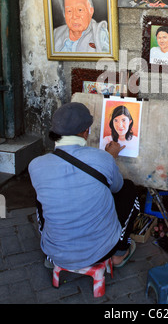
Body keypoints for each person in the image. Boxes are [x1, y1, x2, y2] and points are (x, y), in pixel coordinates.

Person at [29, 102, 140, 270]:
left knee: (43, 196)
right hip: (100, 251)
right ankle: (119, 252)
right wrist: (110, 158)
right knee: (129, 189)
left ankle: (53, 256)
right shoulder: (102, 158)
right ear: (85, 132)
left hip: (55, 252)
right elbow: (117, 188)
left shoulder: (35, 165)